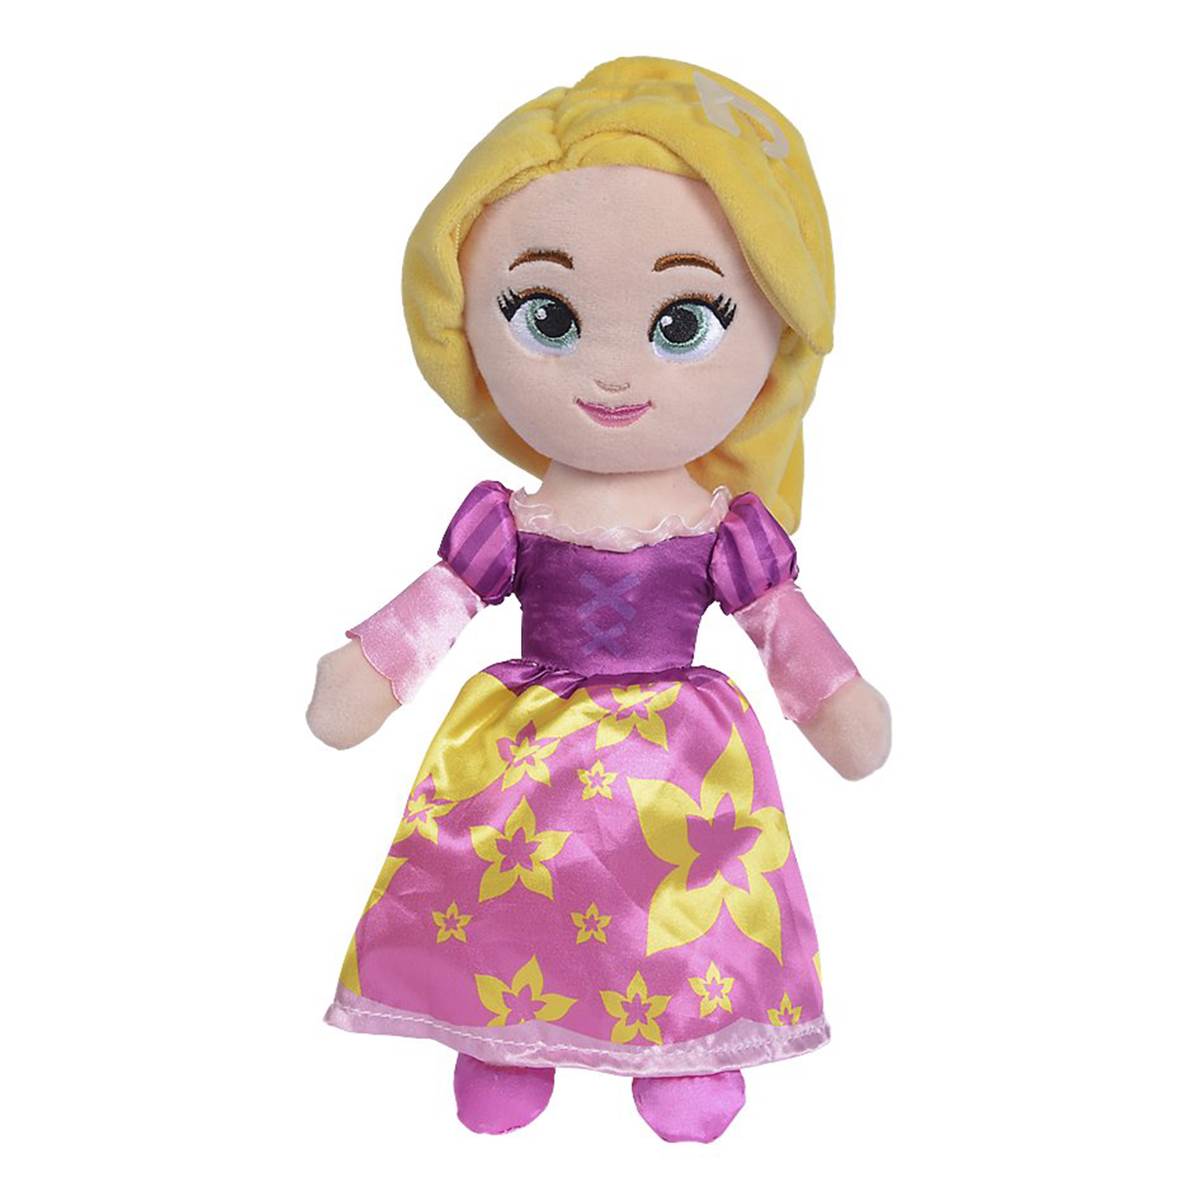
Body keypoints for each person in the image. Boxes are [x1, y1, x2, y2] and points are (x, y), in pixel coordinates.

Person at [307, 56, 891, 1143]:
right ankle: (504, 1034)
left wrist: (838, 705)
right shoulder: (511, 520)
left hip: (678, 751)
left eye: (683, 323)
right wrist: (369, 672)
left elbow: (782, 629)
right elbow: (438, 603)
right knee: (507, 884)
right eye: (547, 315)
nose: (613, 372)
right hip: (527, 746)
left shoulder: (721, 529)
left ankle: (683, 1044)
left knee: (682, 894)